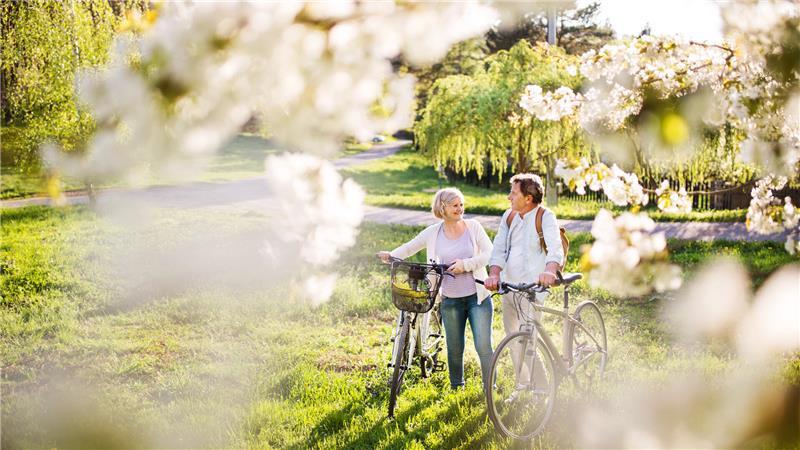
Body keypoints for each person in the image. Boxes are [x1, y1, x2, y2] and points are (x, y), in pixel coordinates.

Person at [378, 187, 494, 390]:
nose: (460, 209)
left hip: (478, 298)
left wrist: (466, 265)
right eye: (455, 205)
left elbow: (489, 253)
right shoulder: (433, 233)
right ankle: (457, 387)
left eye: (461, 205)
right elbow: (410, 246)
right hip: (450, 299)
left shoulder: (473, 227)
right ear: (443, 208)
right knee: (455, 347)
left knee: (483, 346)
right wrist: (392, 255)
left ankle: (489, 387)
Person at [484, 174, 564, 340]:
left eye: (514, 193)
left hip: (532, 289)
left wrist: (550, 271)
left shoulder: (545, 216)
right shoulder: (509, 216)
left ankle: (547, 367)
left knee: (527, 344)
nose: (509, 197)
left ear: (528, 198)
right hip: (509, 287)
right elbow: (499, 249)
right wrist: (494, 274)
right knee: (513, 343)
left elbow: (555, 247)